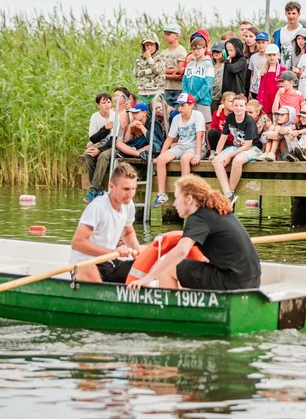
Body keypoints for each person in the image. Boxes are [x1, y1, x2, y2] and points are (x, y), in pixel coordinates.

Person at [127, 174, 262, 291]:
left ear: (189, 199)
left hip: (232, 282)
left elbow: (181, 251)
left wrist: (147, 278)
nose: (174, 204)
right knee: (187, 267)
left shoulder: (198, 217)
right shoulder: (217, 211)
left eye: (177, 198)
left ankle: (170, 310)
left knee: (168, 268)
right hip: (253, 281)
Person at [71, 163, 143, 283]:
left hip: (109, 261)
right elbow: (77, 243)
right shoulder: (97, 207)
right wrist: (112, 252)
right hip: (86, 262)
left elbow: (128, 233)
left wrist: (137, 249)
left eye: (133, 189)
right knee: (88, 269)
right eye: (126, 189)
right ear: (111, 186)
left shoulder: (128, 205)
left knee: (146, 266)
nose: (130, 194)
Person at [153, 93, 205, 207]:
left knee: (185, 159)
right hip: (181, 146)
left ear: (191, 105)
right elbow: (169, 138)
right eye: (179, 105)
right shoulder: (176, 118)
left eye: (183, 105)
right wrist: (160, 155)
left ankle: (184, 193)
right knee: (161, 160)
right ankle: (161, 194)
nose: (180, 108)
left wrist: (197, 155)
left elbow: (200, 136)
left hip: (195, 147)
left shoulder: (197, 115)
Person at [212, 94, 262, 202]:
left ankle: (231, 190)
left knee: (237, 160)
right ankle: (228, 193)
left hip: (252, 147)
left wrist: (229, 156)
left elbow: (247, 145)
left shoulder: (249, 121)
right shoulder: (230, 117)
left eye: (241, 105)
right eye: (236, 105)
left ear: (245, 107)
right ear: (232, 107)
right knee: (216, 161)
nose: (238, 108)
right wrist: (217, 153)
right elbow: (223, 137)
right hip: (236, 146)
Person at [182, 30, 215, 123]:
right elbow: (184, 82)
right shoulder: (189, 65)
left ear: (205, 49)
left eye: (198, 49)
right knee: (191, 123)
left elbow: (207, 84)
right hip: (189, 102)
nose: (195, 51)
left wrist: (196, 97)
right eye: (193, 49)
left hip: (203, 101)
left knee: (205, 124)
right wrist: (187, 96)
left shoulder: (208, 64)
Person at [159, 22, 188, 108]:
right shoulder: (163, 53)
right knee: (166, 111)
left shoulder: (181, 51)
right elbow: (159, 70)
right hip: (166, 87)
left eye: (168, 34)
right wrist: (170, 75)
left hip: (178, 88)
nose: (166, 36)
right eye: (165, 34)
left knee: (178, 110)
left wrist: (164, 72)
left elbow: (179, 70)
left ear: (177, 36)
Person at [273, 1, 306, 68]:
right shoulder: (279, 32)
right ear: (285, 14)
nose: (291, 16)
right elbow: (275, 52)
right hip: (283, 69)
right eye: (289, 13)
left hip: (299, 69)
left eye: (294, 13)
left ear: (299, 14)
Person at [133, 34, 165, 105]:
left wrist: (149, 59)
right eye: (147, 45)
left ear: (156, 45)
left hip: (156, 91)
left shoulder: (160, 57)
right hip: (142, 92)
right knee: (141, 110)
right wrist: (149, 71)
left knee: (156, 110)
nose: (149, 47)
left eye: (151, 45)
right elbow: (136, 73)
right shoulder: (140, 58)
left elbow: (158, 71)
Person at [257, 44, 284, 114]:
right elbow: (261, 88)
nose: (272, 57)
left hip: (278, 100)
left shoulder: (282, 69)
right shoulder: (263, 70)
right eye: (269, 55)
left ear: (278, 55)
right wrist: (260, 101)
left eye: (274, 55)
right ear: (266, 56)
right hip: (265, 101)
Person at [247, 33, 269, 100]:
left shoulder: (270, 57)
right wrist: (250, 91)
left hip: (266, 89)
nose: (261, 45)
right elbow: (252, 74)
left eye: (263, 42)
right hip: (255, 89)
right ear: (256, 43)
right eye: (259, 43)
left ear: (268, 43)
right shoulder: (253, 57)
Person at [210, 41, 227, 111]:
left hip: (222, 96)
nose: (216, 53)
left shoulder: (226, 65)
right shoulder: (211, 65)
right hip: (212, 96)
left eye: (218, 51)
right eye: (214, 51)